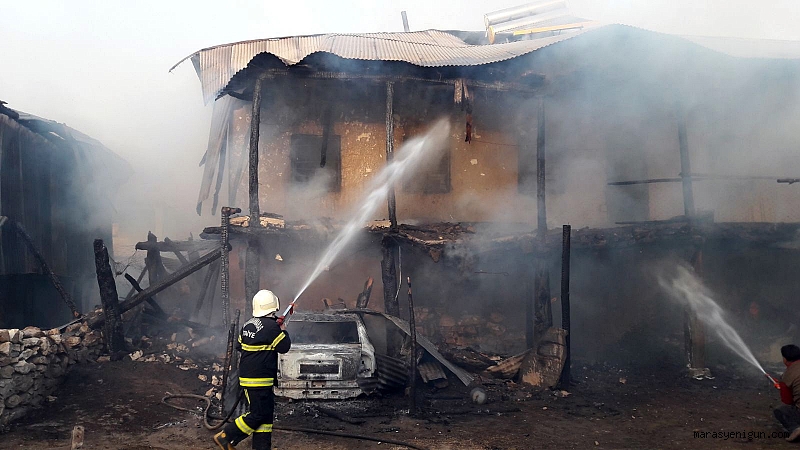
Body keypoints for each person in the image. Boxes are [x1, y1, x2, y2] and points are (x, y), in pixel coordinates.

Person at [214, 289, 291, 450]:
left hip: (249, 377)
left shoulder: (248, 324)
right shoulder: (272, 328)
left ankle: (261, 447)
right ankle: (226, 435)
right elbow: (284, 347)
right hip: (260, 379)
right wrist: (283, 329)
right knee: (258, 414)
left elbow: (239, 345)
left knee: (265, 416)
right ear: (273, 306)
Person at [775, 344, 800, 442]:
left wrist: (782, 388)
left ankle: (796, 429)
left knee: (780, 410)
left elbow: (787, 401)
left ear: (785, 359)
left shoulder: (787, 375)